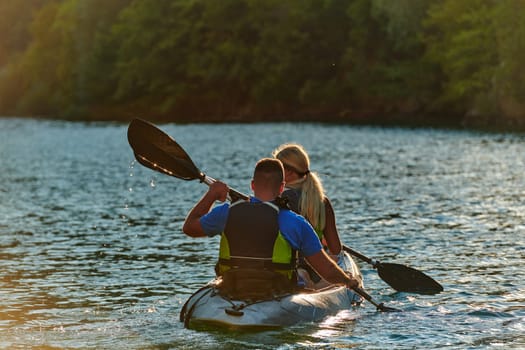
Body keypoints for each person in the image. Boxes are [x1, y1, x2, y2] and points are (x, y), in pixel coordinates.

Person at [182, 158, 359, 299]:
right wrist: (347, 280)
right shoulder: (294, 222)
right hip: (277, 292)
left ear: (252, 185)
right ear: (282, 187)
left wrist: (211, 195)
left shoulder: (225, 213)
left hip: (231, 287)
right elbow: (326, 270)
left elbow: (189, 227)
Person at [272, 143, 344, 287]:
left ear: (289, 173)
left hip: (289, 269)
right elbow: (336, 250)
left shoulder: (279, 201)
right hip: (317, 271)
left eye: (276, 169)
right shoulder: (323, 202)